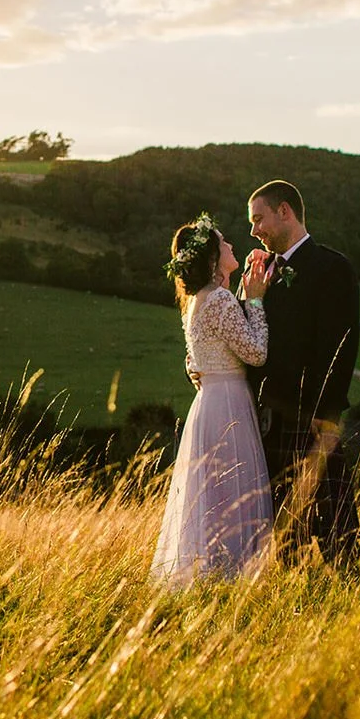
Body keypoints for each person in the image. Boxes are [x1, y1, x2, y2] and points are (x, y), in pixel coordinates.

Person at [244, 179, 360, 573]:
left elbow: (341, 346)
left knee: (334, 524)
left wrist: (327, 411)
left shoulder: (332, 267)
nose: (253, 230)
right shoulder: (262, 275)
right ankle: (296, 603)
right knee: (285, 529)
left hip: (312, 417)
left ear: (285, 212)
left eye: (258, 219)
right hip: (270, 419)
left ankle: (351, 592)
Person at [150, 213, 275, 586]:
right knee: (233, 494)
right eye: (224, 243)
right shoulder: (219, 299)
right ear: (210, 257)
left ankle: (212, 577)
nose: (232, 245)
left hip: (209, 403)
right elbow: (255, 353)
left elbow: (197, 357)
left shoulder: (197, 300)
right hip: (229, 405)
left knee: (214, 496)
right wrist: (255, 302)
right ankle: (232, 576)